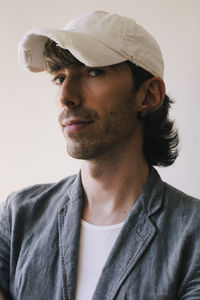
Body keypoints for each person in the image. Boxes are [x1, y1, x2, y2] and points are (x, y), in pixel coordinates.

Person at [0, 10, 200, 300]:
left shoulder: (192, 235)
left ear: (148, 95)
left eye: (94, 72)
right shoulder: (19, 216)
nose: (66, 95)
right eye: (58, 77)